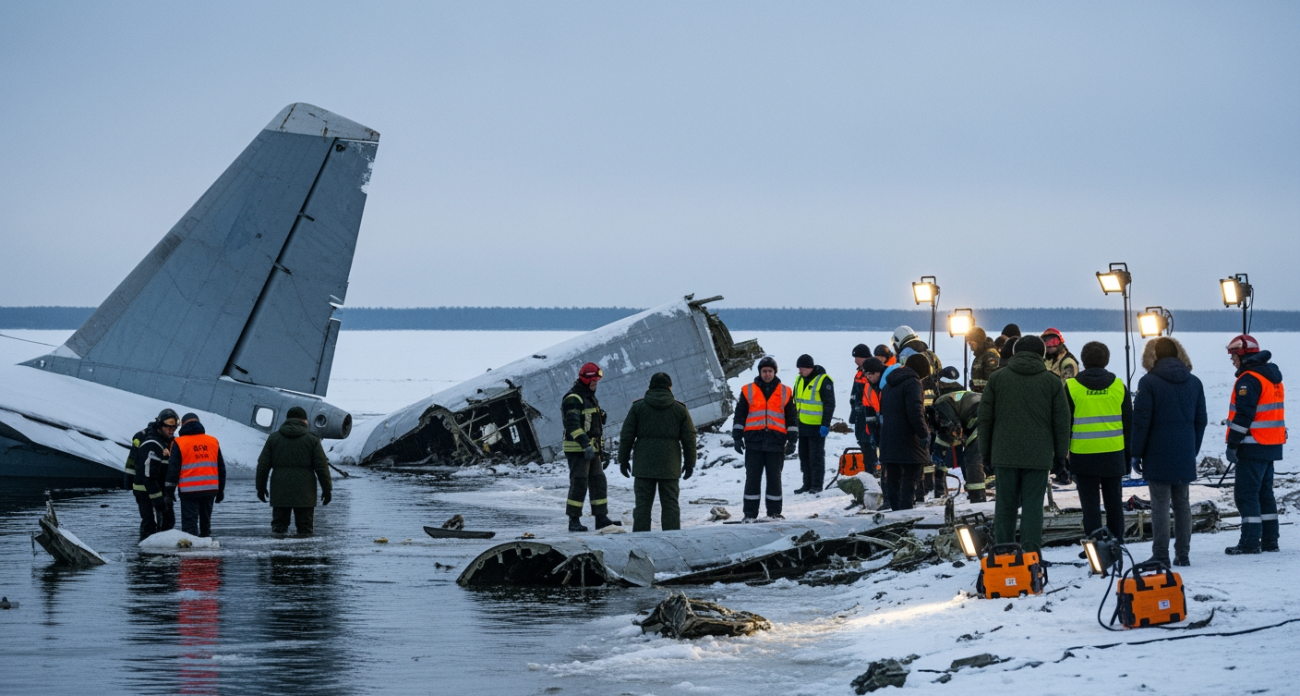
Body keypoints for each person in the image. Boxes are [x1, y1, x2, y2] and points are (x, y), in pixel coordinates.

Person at [978, 335, 1070, 554]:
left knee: (1005, 506)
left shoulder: (997, 378)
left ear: (1015, 353)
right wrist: (1060, 455)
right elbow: (1062, 422)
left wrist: (985, 453)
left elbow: (985, 419)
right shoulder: (1052, 382)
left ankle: (1003, 553)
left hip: (1004, 454)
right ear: (1042, 354)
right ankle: (1031, 555)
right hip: (1038, 456)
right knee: (1033, 507)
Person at [1130, 337, 1206, 566]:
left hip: (1157, 453)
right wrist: (1192, 449)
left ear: (1155, 355)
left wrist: (1136, 452)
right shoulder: (1195, 382)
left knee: (1160, 506)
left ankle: (1161, 554)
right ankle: (1183, 554)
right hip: (1184, 452)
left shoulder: (1149, 382)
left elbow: (1141, 422)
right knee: (1182, 504)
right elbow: (1201, 420)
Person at [1223, 335, 1286, 555]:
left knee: (1246, 494)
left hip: (1253, 445)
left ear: (1243, 355)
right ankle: (1270, 540)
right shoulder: (1271, 377)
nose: (1232, 360)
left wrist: (1232, 444)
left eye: (1233, 355)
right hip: (1271, 444)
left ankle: (1250, 542)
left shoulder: (1248, 379)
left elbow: (1244, 415)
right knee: (1264, 494)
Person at [1065, 342, 1131, 544]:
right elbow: (1129, 426)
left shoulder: (1071, 387)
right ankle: (1116, 544)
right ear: (1106, 360)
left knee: (1090, 506)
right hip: (1113, 454)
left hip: (1083, 455)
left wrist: (1063, 458)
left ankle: (1094, 547)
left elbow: (1064, 425)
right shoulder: (1119, 386)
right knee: (1114, 504)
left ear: (1083, 361)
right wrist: (1127, 459)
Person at [617, 372, 696, 532]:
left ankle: (640, 539)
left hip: (644, 465)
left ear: (650, 387)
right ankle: (672, 538)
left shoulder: (638, 407)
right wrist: (690, 463)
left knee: (642, 505)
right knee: (670, 504)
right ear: (670, 387)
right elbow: (689, 438)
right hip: (670, 465)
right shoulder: (679, 409)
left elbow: (626, 436)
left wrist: (623, 460)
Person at [732, 356, 798, 520]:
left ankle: (774, 512)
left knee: (774, 479)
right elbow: (740, 415)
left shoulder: (785, 391)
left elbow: (791, 418)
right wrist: (737, 437)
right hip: (754, 441)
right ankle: (749, 514)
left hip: (776, 442)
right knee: (752, 479)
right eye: (764, 371)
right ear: (760, 372)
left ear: (775, 372)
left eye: (770, 371)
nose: (767, 374)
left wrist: (792, 440)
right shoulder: (748, 390)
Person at [560, 362, 619, 532]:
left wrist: (599, 449)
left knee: (598, 481)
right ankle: (574, 520)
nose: (595, 384)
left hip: (591, 449)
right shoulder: (574, 398)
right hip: (578, 449)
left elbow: (592, 425)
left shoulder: (589, 397)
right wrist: (585, 445)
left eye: (596, 381)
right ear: (585, 380)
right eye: (593, 381)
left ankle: (601, 517)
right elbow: (572, 425)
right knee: (579, 482)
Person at [255, 406, 332, 535]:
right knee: (305, 529)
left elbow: (263, 465)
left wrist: (260, 488)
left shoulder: (274, 438)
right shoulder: (312, 440)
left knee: (279, 528)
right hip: (305, 491)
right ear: (305, 420)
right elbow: (321, 467)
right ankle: (304, 548)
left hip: (280, 490)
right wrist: (327, 489)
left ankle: (278, 547)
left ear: (287, 419)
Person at [878, 354, 931, 510]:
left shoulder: (888, 384)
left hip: (888, 438)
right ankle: (905, 510)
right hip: (907, 439)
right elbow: (915, 412)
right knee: (911, 474)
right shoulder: (912, 383)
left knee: (893, 478)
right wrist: (924, 434)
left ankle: (895, 510)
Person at [165, 413, 226, 538]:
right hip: (210, 489)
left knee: (190, 526)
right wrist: (220, 491)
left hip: (189, 491)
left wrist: (169, 492)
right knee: (205, 525)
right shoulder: (212, 441)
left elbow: (173, 470)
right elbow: (221, 469)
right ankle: (207, 546)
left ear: (183, 425)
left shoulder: (179, 442)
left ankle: (191, 548)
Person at [929, 389, 987, 502]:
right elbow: (947, 434)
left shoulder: (941, 406)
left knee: (972, 458)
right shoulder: (947, 405)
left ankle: (977, 496)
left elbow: (954, 428)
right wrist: (939, 451)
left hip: (982, 419)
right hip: (984, 416)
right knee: (978, 457)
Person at [131, 409, 179, 539]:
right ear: (160, 426)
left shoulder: (168, 442)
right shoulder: (152, 445)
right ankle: (145, 547)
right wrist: (159, 501)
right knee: (149, 524)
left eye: (174, 427)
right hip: (145, 490)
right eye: (168, 427)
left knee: (168, 522)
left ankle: (162, 546)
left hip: (159, 489)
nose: (172, 430)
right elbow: (149, 478)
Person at [793, 354, 835, 494]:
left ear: (810, 367)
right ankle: (807, 484)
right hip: (802, 424)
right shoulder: (799, 379)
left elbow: (829, 404)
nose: (800, 371)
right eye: (799, 368)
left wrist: (826, 424)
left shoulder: (823, 380)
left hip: (817, 426)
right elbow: (795, 401)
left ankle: (817, 485)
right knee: (804, 456)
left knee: (816, 457)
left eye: (802, 368)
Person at [966, 327, 1001, 393]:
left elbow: (992, 379)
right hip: (980, 394)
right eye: (969, 344)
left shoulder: (990, 355)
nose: (970, 346)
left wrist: (978, 386)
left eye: (971, 343)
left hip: (987, 395)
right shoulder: (980, 356)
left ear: (978, 341)